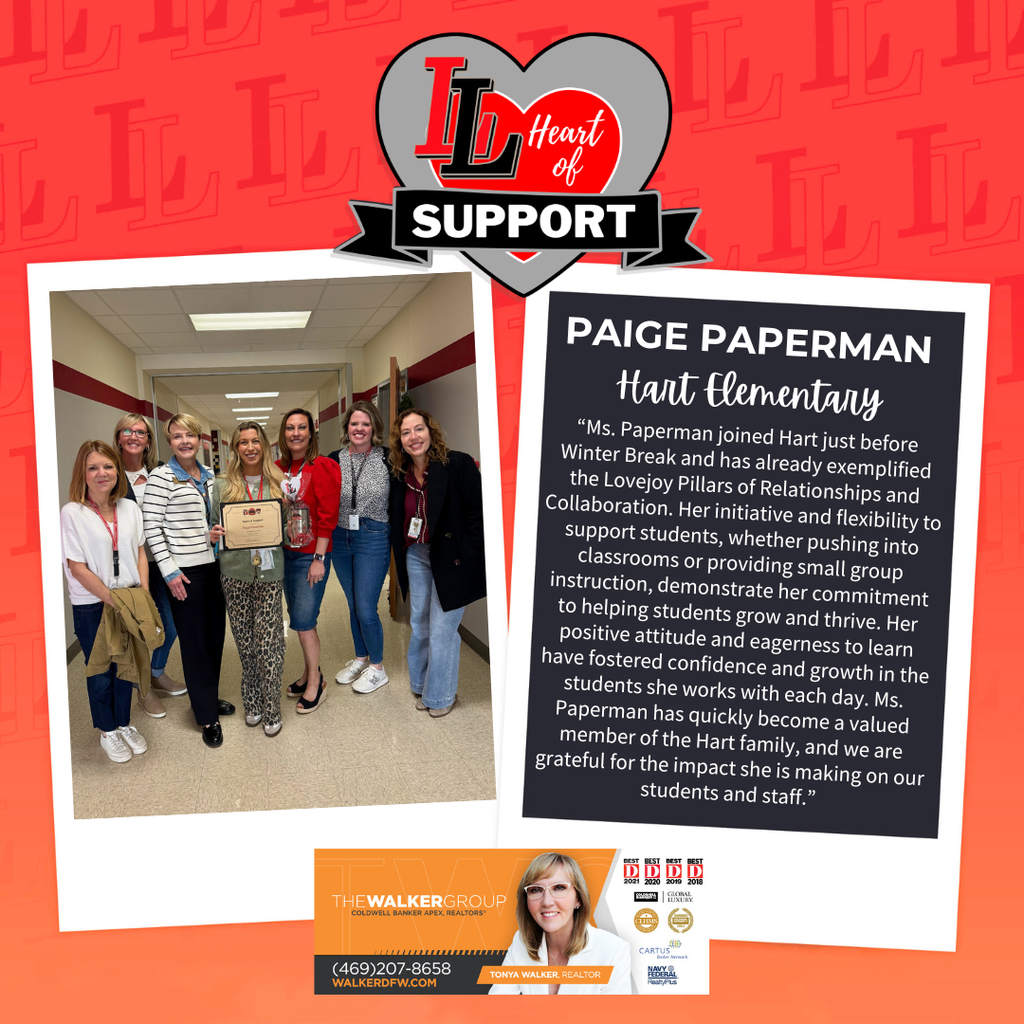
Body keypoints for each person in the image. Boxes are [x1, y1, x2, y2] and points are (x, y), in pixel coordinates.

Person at [141, 414, 232, 748]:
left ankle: (206, 697)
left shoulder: (209, 477)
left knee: (214, 639)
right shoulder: (161, 478)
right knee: (194, 644)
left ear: (199, 440)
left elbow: (203, 522)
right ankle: (206, 717)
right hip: (184, 574)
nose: (184, 441)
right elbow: (152, 530)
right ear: (169, 442)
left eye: (189, 435)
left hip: (214, 568)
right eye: (176, 436)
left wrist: (212, 534)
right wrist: (169, 572)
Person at [388, 408, 485, 717]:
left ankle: (440, 696)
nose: (413, 437)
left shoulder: (458, 464)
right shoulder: (400, 474)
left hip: (450, 558)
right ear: (399, 440)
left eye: (419, 429)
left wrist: (467, 556)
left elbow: (478, 515)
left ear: (431, 432)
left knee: (443, 629)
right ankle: (421, 683)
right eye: (406, 433)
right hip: (416, 555)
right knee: (419, 624)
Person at [61, 441, 150, 763]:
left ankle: (124, 722)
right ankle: (107, 730)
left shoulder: (130, 508)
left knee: (126, 665)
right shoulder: (73, 512)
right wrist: (113, 600)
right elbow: (76, 566)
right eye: (93, 468)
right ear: (82, 474)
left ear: (117, 471)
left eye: (108, 466)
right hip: (93, 604)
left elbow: (140, 551)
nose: (102, 473)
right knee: (100, 669)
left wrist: (143, 594)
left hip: (129, 598)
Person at [212, 422, 287, 737]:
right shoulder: (220, 486)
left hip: (270, 572)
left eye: (256, 441)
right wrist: (214, 534)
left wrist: (289, 516)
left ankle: (272, 707)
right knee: (245, 642)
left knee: (269, 641)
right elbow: (213, 527)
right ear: (235, 448)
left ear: (265, 445)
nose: (250, 447)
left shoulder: (280, 482)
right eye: (243, 442)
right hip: (235, 571)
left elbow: (290, 526)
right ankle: (252, 700)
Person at [113, 413, 184, 720]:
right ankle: (143, 687)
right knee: (141, 628)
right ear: (118, 437)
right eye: (127, 431)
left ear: (149, 441)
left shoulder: (160, 472)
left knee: (169, 626)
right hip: (127, 567)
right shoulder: (110, 473)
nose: (134, 437)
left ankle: (155, 672)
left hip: (161, 562)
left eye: (141, 432)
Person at [489, 852, 632, 995]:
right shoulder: (520, 943)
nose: (547, 902)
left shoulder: (614, 950)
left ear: (578, 899)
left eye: (559, 888)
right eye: (536, 890)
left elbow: (613, 1017)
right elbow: (495, 1009)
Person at [276, 408, 341, 713]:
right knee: (298, 616)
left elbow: (328, 517)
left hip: (310, 556)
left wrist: (319, 558)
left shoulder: (324, 467)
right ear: (283, 434)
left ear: (312, 432)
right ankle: (307, 673)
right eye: (290, 428)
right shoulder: (277, 468)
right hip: (284, 554)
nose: (296, 433)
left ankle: (316, 683)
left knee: (303, 622)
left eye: (302, 427)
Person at [326, 401, 392, 694]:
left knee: (366, 606)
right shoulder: (333, 459)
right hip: (341, 537)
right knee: (353, 604)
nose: (359, 429)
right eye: (354, 424)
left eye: (365, 424)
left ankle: (378, 668)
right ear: (347, 428)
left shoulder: (389, 458)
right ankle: (361, 658)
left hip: (373, 534)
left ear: (373, 427)